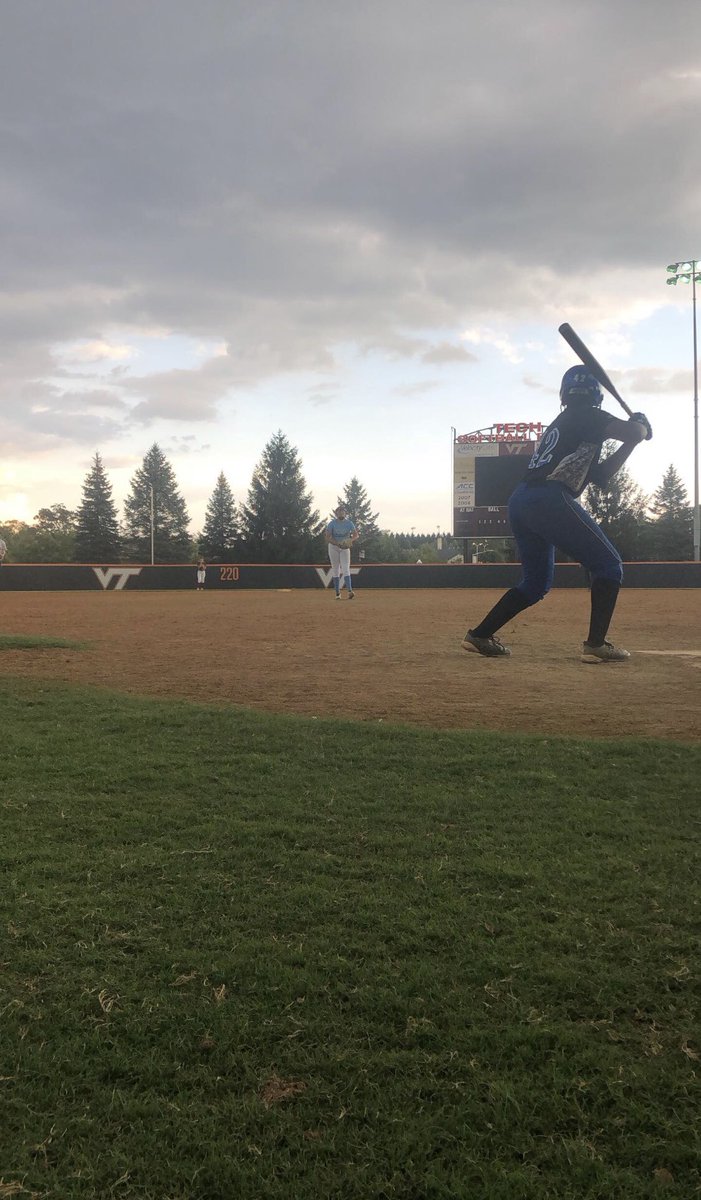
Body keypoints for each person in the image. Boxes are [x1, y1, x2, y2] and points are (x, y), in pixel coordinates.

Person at [463, 367, 652, 662]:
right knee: (609, 566)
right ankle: (596, 644)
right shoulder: (588, 414)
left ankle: (480, 635)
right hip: (547, 498)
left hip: (522, 500)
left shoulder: (567, 422)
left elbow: (601, 475)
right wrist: (639, 426)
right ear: (596, 396)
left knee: (536, 584)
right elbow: (631, 430)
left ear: (565, 394)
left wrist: (633, 440)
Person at [325, 504, 359, 599]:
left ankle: (349, 591)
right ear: (336, 514)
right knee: (335, 569)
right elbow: (327, 537)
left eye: (342, 511)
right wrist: (336, 543)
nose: (341, 513)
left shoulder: (349, 523)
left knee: (345, 568)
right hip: (333, 547)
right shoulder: (332, 523)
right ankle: (337, 593)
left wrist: (350, 540)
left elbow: (356, 535)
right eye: (339, 512)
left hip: (345, 547)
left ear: (345, 513)